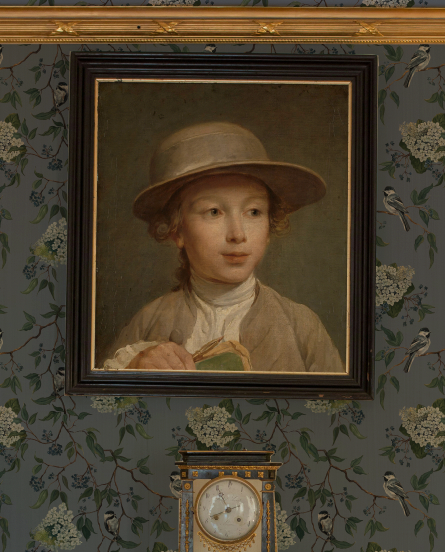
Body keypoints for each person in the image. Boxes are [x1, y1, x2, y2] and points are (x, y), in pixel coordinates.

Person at [100, 121, 344, 373]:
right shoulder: (148, 321)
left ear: (270, 226)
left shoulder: (302, 325)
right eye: (214, 212)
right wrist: (135, 366)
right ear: (176, 230)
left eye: (253, 212)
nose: (238, 234)